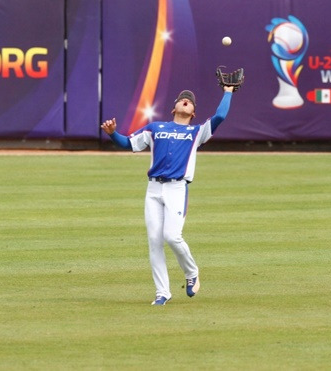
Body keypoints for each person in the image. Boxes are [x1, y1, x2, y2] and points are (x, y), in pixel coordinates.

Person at [101, 81, 241, 305]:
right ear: (174, 108)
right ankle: (162, 292)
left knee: (172, 236)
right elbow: (128, 144)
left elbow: (220, 117)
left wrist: (227, 92)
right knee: (154, 240)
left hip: (177, 188)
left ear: (193, 112)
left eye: (191, 101)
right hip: (153, 189)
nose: (186, 100)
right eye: (182, 99)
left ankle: (192, 272)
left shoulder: (196, 133)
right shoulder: (155, 128)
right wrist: (112, 133)